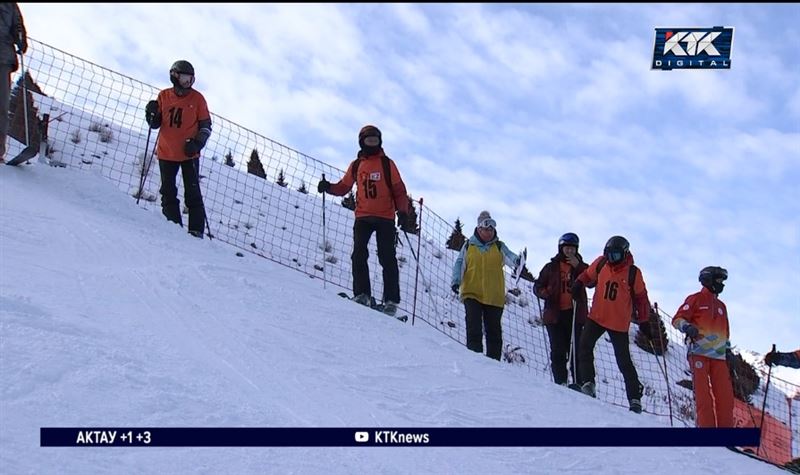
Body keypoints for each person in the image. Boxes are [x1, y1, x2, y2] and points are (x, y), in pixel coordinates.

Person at [317, 125, 409, 316]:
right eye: (369, 141)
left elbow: (399, 190)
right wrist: (328, 187)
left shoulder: (387, 164)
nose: (372, 144)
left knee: (387, 257)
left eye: (375, 141)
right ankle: (362, 294)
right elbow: (344, 187)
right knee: (358, 253)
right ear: (362, 142)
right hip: (363, 217)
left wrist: (403, 211)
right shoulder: (357, 165)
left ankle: (391, 300)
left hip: (385, 217)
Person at [572, 235, 652, 413]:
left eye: (615, 255)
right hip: (597, 317)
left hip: (618, 323)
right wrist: (578, 283)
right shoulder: (601, 264)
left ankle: (634, 399)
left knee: (623, 362)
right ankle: (588, 383)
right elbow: (587, 275)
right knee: (584, 346)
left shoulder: (633, 273)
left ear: (624, 254)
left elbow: (641, 298)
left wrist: (644, 321)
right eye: (608, 254)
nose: (611, 259)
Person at [144, 60, 212, 238]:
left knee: (193, 193)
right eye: (184, 78)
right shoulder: (164, 96)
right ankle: (173, 229)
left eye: (191, 79)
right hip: (166, 153)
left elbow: (206, 126)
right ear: (174, 76)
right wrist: (150, 113)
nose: (188, 82)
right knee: (167, 192)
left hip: (189, 154)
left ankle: (196, 232)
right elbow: (155, 124)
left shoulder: (198, 99)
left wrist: (197, 144)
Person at [451, 211, 524, 361]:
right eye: (486, 228)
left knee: (494, 331)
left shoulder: (499, 246)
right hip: (472, 292)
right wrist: (456, 281)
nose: (489, 231)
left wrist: (518, 261)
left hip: (494, 295)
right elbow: (459, 263)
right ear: (479, 229)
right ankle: (474, 358)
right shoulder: (468, 245)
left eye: (492, 228)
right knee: (473, 326)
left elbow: (510, 257)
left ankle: (494, 362)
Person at [671, 266, 735, 427]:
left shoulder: (722, 306)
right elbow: (677, 319)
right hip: (698, 352)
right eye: (719, 280)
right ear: (708, 280)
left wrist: (728, 350)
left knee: (725, 396)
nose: (722, 284)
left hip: (719, 357)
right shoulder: (696, 299)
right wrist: (687, 327)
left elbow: (725, 332)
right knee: (703, 395)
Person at [534, 232, 588, 388]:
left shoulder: (582, 267)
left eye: (572, 248)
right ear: (561, 248)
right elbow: (537, 285)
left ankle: (578, 382)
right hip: (554, 314)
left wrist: (578, 266)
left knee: (576, 350)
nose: (569, 251)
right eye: (567, 248)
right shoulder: (551, 267)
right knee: (557, 350)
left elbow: (592, 281)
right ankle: (560, 382)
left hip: (575, 314)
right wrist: (545, 293)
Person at [0, 2, 26, 163]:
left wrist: (21, 37)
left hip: (3, 58)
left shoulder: (10, 5)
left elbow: (18, 26)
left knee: (1, 107)